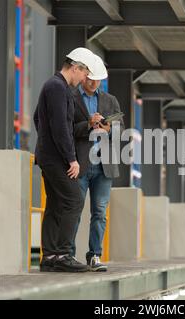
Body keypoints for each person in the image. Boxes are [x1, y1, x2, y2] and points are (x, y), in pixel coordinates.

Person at [33, 47, 96, 273]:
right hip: (57, 158)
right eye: (84, 73)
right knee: (74, 200)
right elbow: (61, 127)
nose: (84, 78)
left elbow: (37, 118)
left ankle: (49, 256)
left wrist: (45, 142)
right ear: (75, 67)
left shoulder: (54, 86)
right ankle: (63, 254)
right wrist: (71, 158)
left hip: (48, 156)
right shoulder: (58, 87)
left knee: (56, 204)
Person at [69, 54, 124, 271]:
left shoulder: (110, 101)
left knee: (100, 212)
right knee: (75, 210)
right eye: (90, 78)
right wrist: (88, 124)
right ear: (83, 75)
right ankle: (69, 256)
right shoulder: (71, 97)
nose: (93, 83)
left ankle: (95, 255)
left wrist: (108, 129)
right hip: (80, 163)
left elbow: (121, 131)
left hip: (104, 166)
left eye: (97, 79)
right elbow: (68, 130)